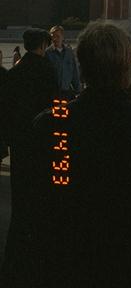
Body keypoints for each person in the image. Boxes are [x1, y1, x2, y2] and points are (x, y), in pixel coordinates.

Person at [30, 22, 131, 288]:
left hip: (66, 264)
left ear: (81, 68)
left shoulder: (51, 124)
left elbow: (33, 206)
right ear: (127, 72)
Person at [0, 28, 58, 287]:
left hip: (20, 145)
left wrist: (10, 139)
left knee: (21, 197)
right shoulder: (47, 70)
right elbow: (55, 106)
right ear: (43, 45)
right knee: (42, 198)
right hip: (43, 145)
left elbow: (5, 110)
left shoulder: (14, 73)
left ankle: (15, 255)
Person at [45, 24, 81, 100]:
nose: (55, 39)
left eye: (57, 36)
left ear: (62, 37)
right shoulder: (47, 53)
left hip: (66, 91)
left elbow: (74, 72)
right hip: (52, 93)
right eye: (53, 36)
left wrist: (78, 90)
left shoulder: (69, 53)